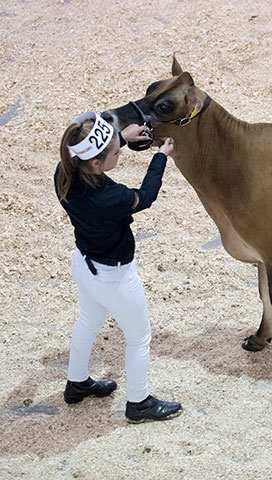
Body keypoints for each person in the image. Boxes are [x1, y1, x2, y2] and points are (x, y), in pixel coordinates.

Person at [54, 111, 182, 423]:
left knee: (87, 321)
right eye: (115, 151)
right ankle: (139, 403)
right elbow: (146, 196)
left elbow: (95, 151)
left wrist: (123, 136)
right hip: (115, 277)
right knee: (139, 338)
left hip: (84, 264)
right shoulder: (110, 197)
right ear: (96, 163)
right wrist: (161, 156)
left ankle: (77, 383)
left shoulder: (65, 170)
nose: (120, 152)